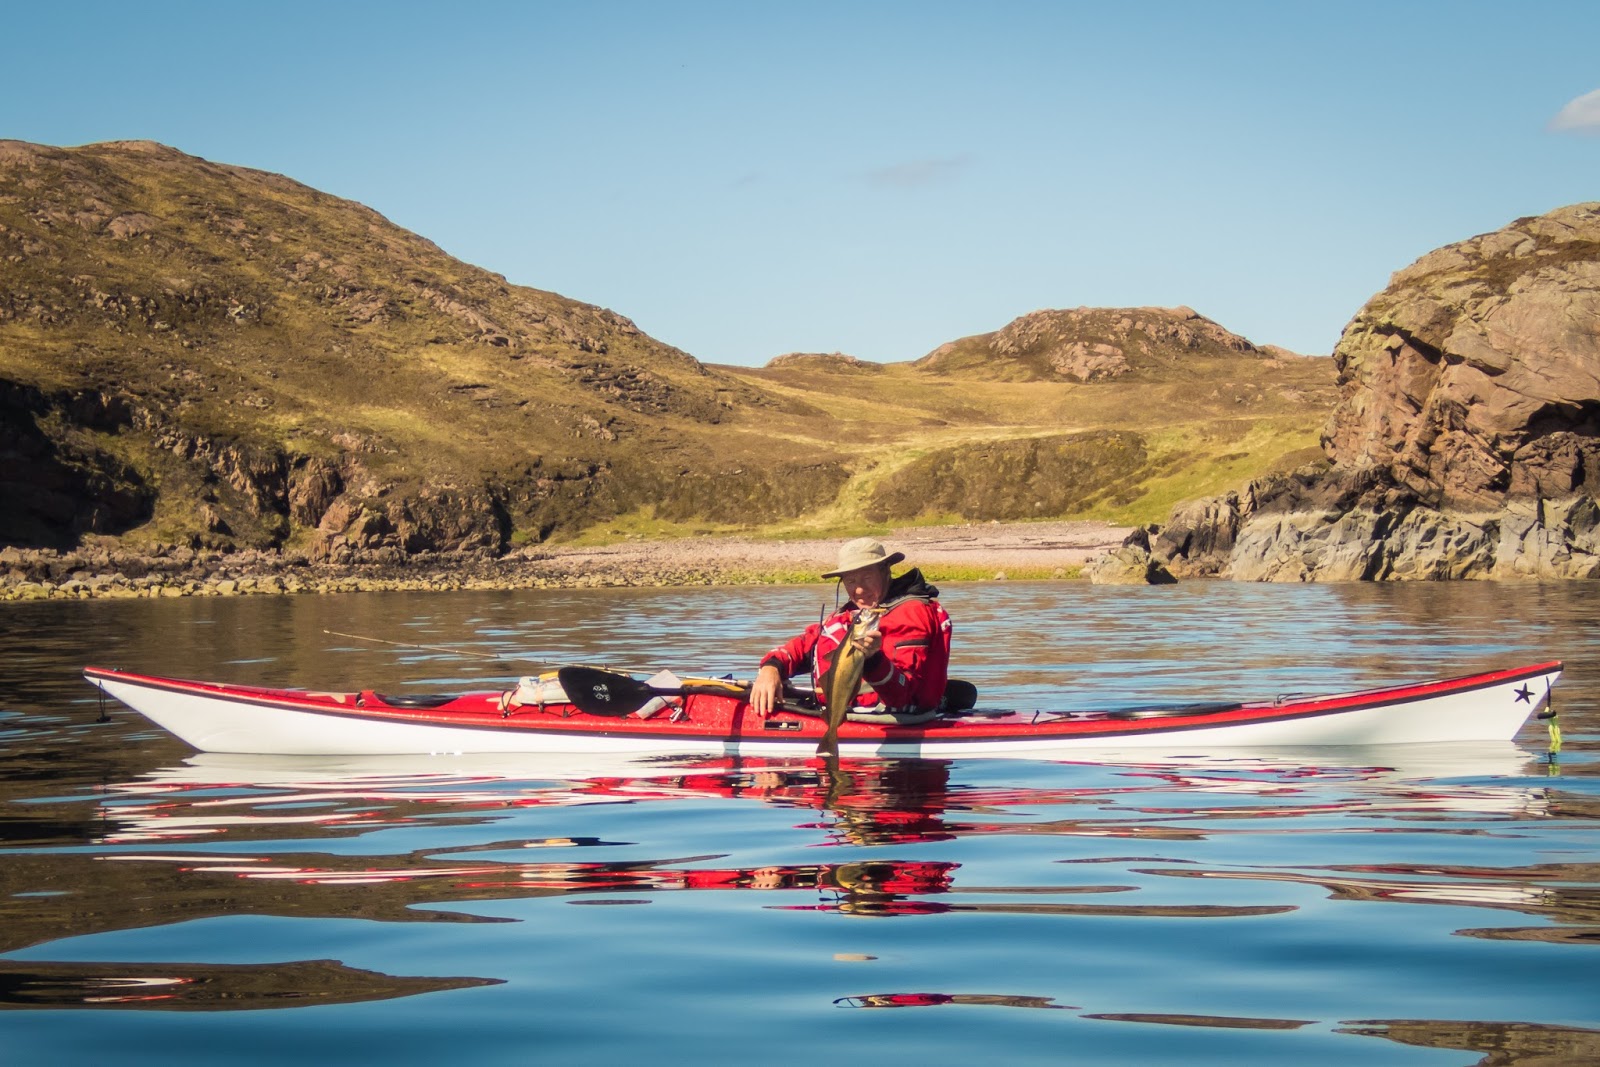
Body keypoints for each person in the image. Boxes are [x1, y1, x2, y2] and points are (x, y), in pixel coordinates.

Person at [749, 538, 951, 717]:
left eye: (867, 577)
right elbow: (808, 643)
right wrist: (772, 668)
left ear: (886, 571)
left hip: (888, 719)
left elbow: (904, 695)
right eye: (851, 580)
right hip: (840, 708)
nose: (859, 589)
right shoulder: (853, 613)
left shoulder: (911, 613)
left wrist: (873, 660)